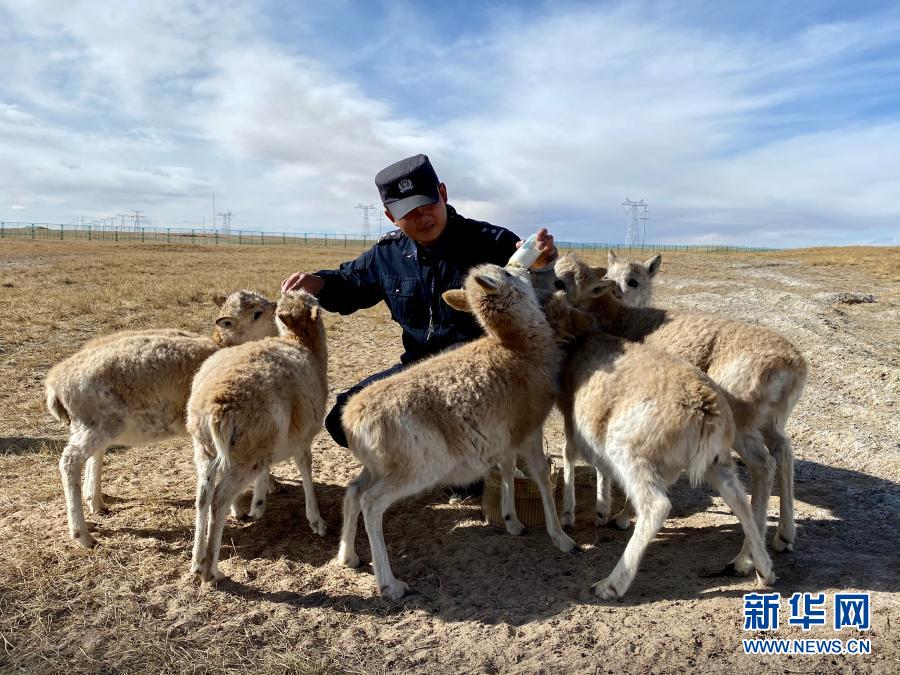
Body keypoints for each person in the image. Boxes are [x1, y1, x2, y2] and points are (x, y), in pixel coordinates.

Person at [281, 154, 557, 496]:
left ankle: (477, 461)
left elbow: (541, 301)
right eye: (408, 213)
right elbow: (351, 283)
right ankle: (432, 463)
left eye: (427, 205)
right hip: (419, 368)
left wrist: (542, 268)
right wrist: (319, 283)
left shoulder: (493, 243)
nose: (422, 217)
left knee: (469, 484)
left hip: (482, 377)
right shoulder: (387, 254)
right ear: (390, 216)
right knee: (345, 420)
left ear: (442, 193)